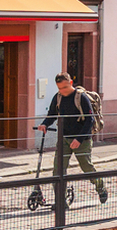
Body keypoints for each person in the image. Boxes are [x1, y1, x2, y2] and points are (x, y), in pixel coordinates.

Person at [38, 73, 108, 205]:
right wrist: (45, 124)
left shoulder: (81, 97)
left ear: (70, 83)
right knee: (58, 170)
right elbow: (52, 114)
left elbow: (89, 120)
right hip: (64, 138)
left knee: (86, 167)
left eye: (64, 87)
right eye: (59, 88)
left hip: (82, 140)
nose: (62, 91)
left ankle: (100, 186)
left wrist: (79, 139)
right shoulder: (58, 97)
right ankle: (61, 201)